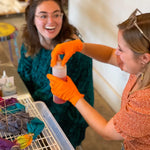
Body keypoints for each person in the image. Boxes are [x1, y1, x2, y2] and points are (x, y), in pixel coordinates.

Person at [47, 9, 150, 150]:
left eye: (121, 49)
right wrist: (79, 46)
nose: (117, 52)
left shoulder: (145, 99)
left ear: (144, 58)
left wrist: (73, 95)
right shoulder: (142, 67)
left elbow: (108, 132)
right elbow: (109, 55)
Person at [17, 0, 94, 148]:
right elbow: (23, 74)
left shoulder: (71, 50)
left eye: (56, 15)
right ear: (32, 19)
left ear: (62, 17)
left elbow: (53, 95)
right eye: (43, 15)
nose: (51, 21)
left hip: (67, 118)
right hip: (40, 110)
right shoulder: (30, 40)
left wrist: (27, 111)